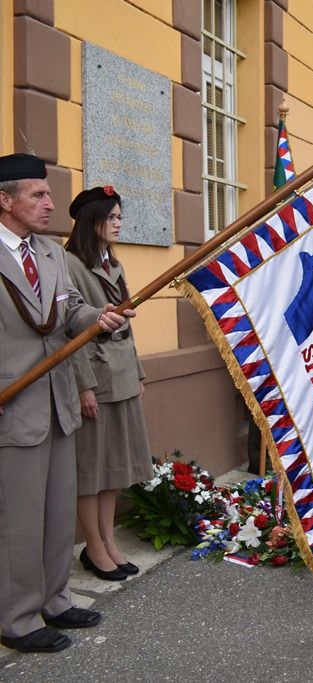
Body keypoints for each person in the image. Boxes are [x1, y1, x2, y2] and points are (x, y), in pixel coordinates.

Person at [0, 154, 132, 653]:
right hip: (13, 405)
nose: (50, 203)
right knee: (19, 518)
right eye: (38, 195)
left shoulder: (51, 254)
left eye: (48, 193)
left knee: (57, 512)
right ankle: (16, 619)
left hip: (57, 401)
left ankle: (55, 600)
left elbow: (69, 311)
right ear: (4, 199)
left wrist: (99, 318)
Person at [65, 186, 153, 582]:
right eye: (113, 217)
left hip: (121, 376)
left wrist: (137, 373)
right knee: (91, 469)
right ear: (93, 220)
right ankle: (93, 548)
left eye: (121, 217)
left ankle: (108, 541)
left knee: (115, 466)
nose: (119, 224)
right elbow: (69, 333)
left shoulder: (112, 264)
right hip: (95, 378)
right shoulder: (70, 265)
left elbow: (128, 327)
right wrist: (83, 385)